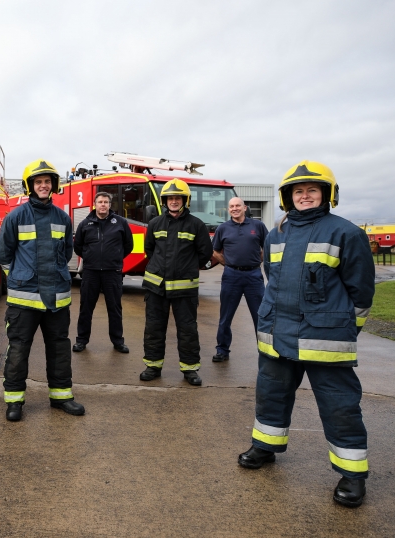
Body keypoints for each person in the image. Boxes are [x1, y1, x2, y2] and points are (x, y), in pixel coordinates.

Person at [237, 161, 375, 509]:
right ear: (287, 197)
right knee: (271, 395)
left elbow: (361, 292)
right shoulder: (277, 233)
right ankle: (265, 447)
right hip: (277, 335)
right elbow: (272, 275)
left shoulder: (347, 233)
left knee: (340, 406)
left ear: (327, 194)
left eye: (312, 190)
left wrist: (345, 328)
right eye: (298, 191)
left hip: (325, 340)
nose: (305, 196)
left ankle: (352, 475)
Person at [0, 159, 84, 422]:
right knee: (18, 350)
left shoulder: (62, 218)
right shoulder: (16, 216)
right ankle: (14, 401)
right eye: (38, 182)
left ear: (53, 185)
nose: (43, 186)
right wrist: (19, 277)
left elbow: (66, 252)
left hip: (56, 298)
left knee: (59, 348)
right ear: (30, 186)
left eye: (47, 182)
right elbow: (4, 254)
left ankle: (61, 396)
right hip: (24, 301)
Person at [140, 179, 213, 386]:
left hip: (184, 289)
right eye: (170, 198)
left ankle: (190, 370)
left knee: (188, 330)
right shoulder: (155, 223)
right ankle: (153, 366)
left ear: (184, 200)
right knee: (154, 328)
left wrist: (186, 268)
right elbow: (150, 250)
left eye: (177, 198)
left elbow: (205, 253)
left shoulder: (196, 225)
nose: (173, 201)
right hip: (156, 288)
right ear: (165, 201)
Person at [72, 191, 134, 354]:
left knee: (114, 308)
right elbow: (78, 246)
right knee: (86, 308)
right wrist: (90, 258)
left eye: (106, 202)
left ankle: (118, 341)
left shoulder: (120, 222)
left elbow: (129, 245)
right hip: (91, 273)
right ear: (95, 204)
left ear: (109, 204)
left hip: (112, 273)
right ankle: (81, 340)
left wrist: (115, 258)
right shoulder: (85, 224)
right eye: (100, 202)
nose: (103, 205)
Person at [211, 197, 269, 362]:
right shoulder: (223, 228)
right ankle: (222, 350)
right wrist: (228, 264)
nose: (234, 208)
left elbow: (267, 246)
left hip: (254, 277)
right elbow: (215, 251)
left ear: (245, 208)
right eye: (231, 206)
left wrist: (259, 260)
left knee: (261, 316)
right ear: (228, 209)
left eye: (237, 206)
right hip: (231, 276)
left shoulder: (258, 226)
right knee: (225, 316)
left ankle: (265, 352)